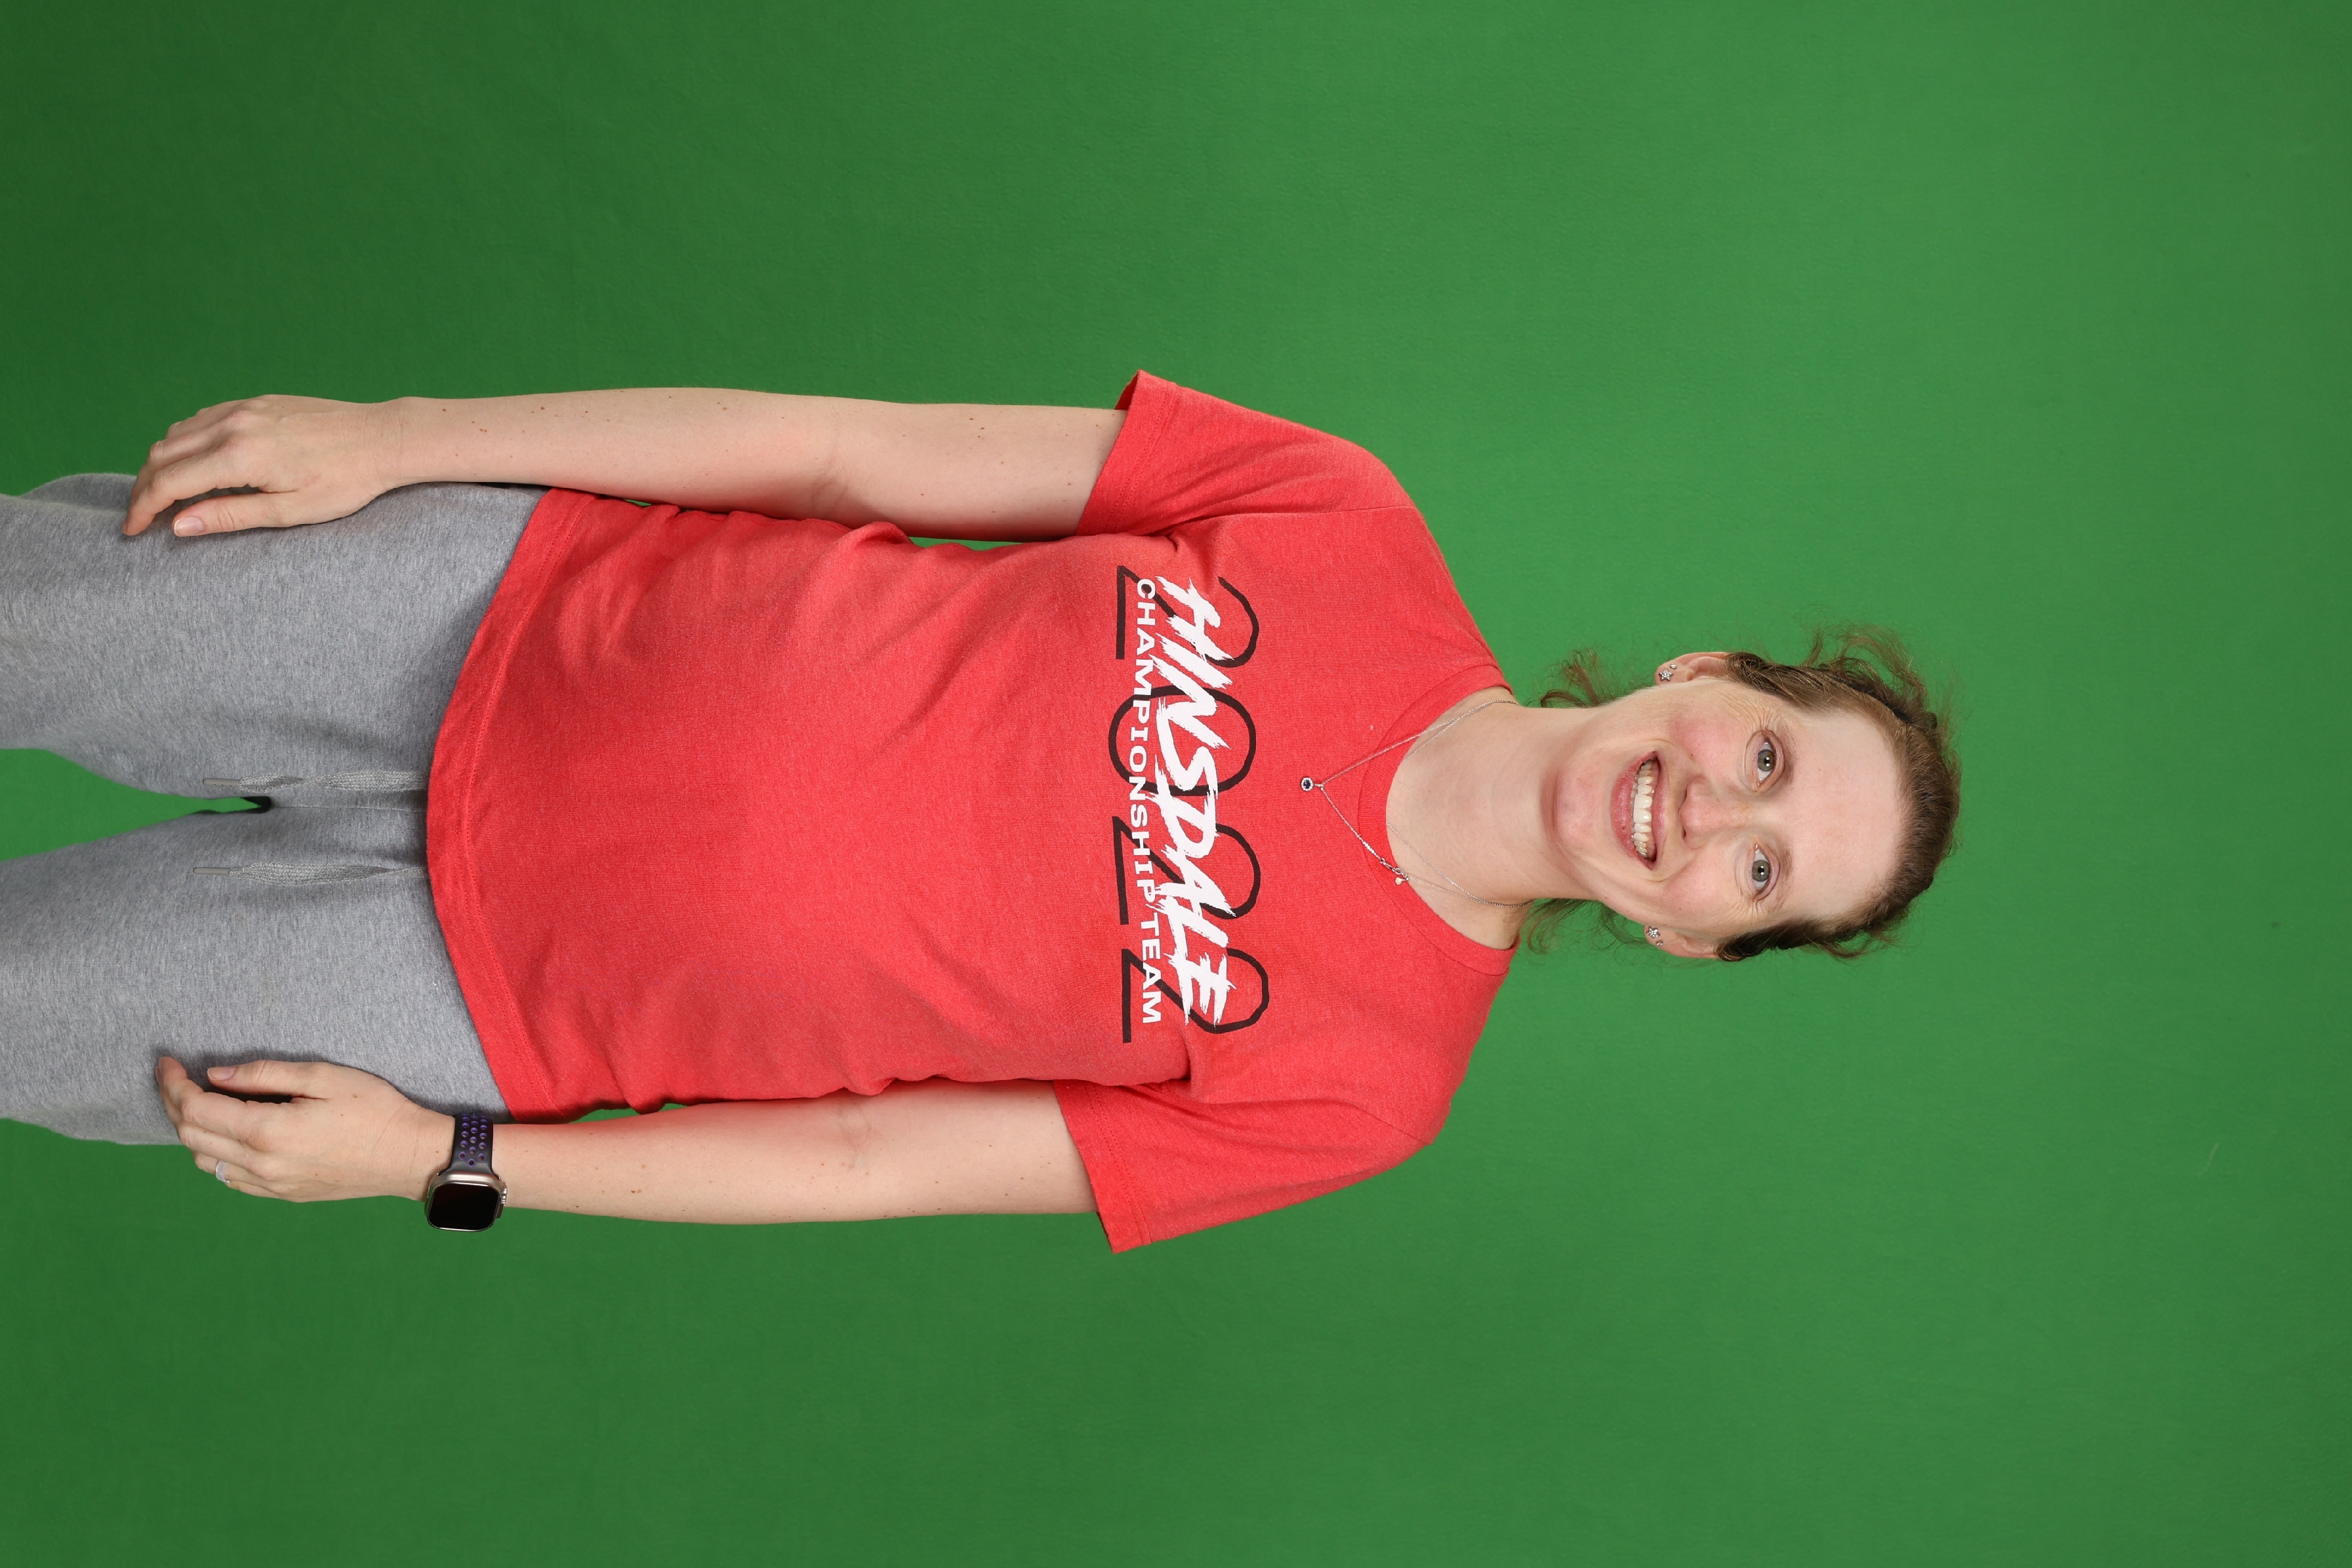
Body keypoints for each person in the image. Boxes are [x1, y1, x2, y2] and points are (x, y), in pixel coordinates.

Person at [0, 374, 1959, 1249]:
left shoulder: (1366, 1097)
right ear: (1711, 675)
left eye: (1762, 872)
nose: (1712, 816)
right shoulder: (1342, 514)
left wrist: (455, 1161)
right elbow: (845, 451)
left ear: (1692, 936)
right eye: (1768, 760)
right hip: (486, 609)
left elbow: (869, 1163)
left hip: (476, 1001)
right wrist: (406, 437)